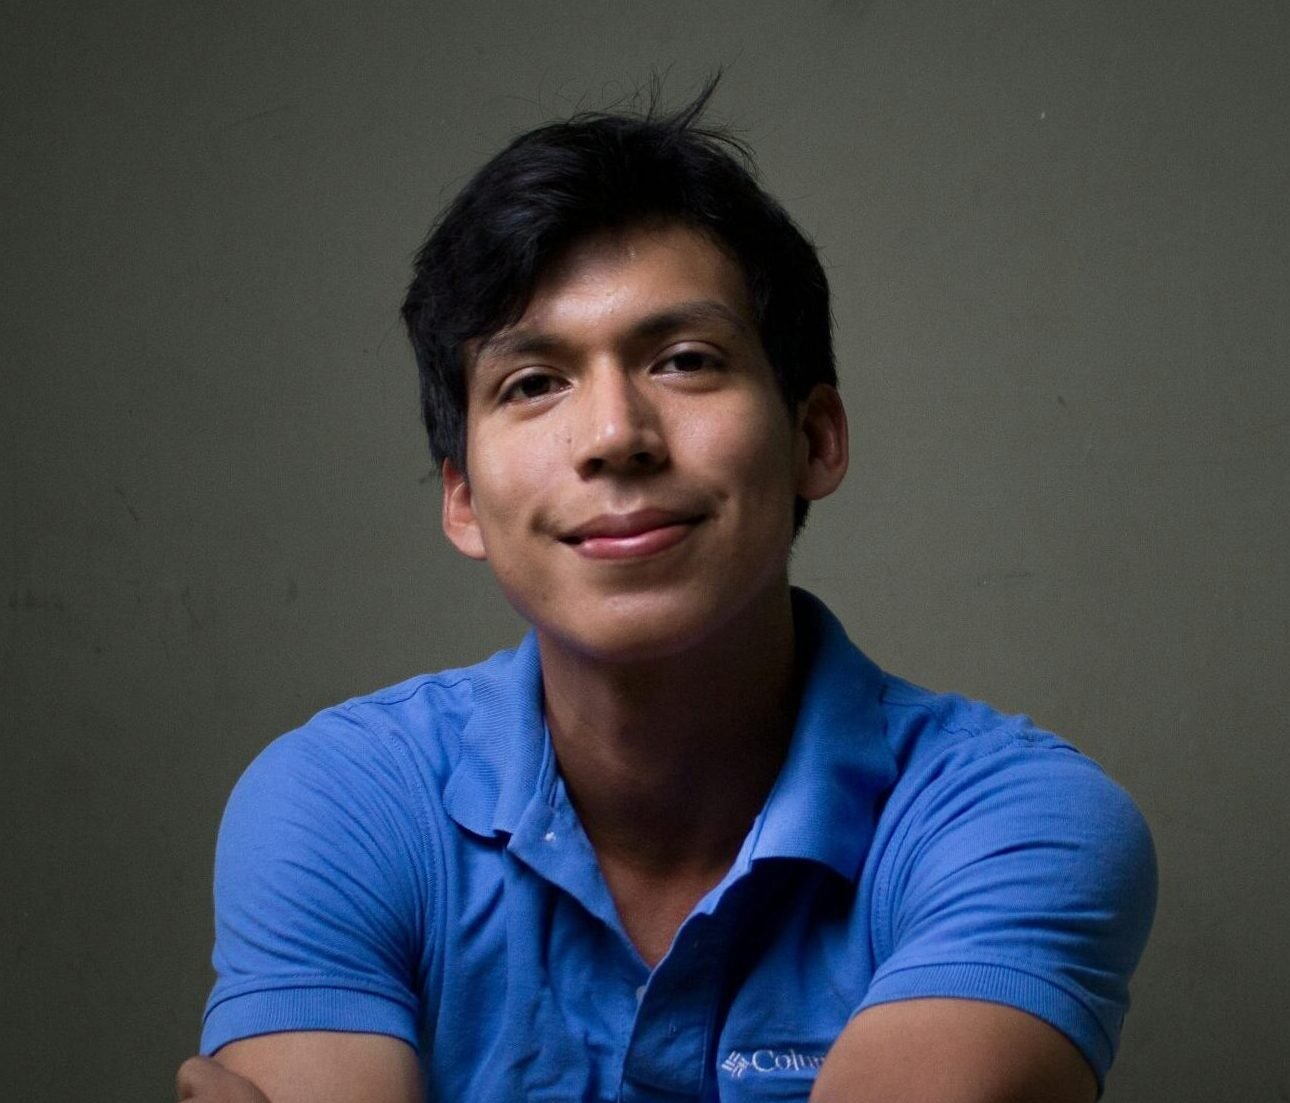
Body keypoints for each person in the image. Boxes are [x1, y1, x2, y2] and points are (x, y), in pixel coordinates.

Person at [178, 83, 1156, 1103]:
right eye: (533, 382)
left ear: (814, 439)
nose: (614, 434)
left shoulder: (1013, 818)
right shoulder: (343, 803)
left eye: (686, 360)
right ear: (462, 498)